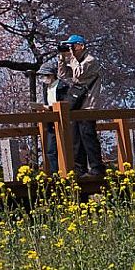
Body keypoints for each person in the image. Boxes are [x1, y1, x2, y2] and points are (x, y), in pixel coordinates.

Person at [63, 35, 105, 179]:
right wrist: (61, 59)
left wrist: (71, 58)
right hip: (77, 105)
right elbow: (63, 75)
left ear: (81, 46)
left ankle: (97, 168)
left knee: (88, 136)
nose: (70, 49)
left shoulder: (90, 61)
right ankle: (79, 169)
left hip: (88, 105)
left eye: (72, 46)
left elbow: (78, 73)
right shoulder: (75, 61)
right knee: (76, 138)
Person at [38, 45, 71, 174]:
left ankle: (65, 172)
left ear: (51, 75)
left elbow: (65, 103)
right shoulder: (46, 88)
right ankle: (54, 173)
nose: (43, 78)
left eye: (44, 75)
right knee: (51, 150)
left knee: (64, 148)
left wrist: (52, 107)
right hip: (51, 121)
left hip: (62, 120)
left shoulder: (62, 86)